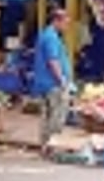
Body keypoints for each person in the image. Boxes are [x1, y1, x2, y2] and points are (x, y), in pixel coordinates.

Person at [31, 9, 73, 154]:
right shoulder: (51, 37)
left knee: (47, 115)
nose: (67, 26)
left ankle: (45, 146)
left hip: (45, 83)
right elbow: (53, 61)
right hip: (53, 83)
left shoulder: (47, 35)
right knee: (57, 115)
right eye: (65, 22)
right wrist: (62, 80)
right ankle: (51, 145)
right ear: (57, 20)